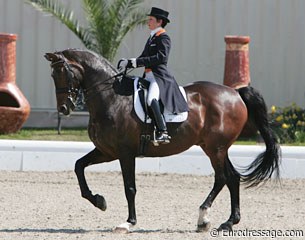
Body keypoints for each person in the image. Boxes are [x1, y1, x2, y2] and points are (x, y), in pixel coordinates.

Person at [118, 7, 189, 144]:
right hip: (148, 76)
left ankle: (163, 131)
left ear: (159, 21)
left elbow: (161, 57)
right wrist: (129, 63)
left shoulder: (163, 37)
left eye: (150, 20)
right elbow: (143, 57)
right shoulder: (152, 38)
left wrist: (136, 62)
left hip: (159, 77)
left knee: (151, 99)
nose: (147, 22)